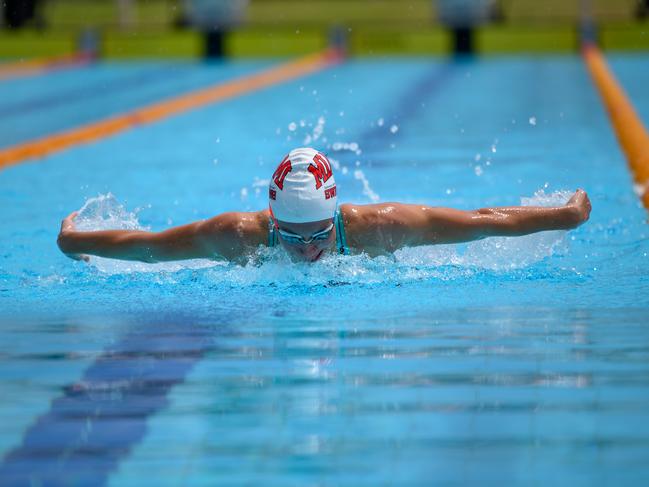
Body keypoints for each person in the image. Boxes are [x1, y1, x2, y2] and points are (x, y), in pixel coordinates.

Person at [57, 147, 591, 264]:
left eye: (318, 234)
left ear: (336, 216)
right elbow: (149, 248)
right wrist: (72, 240)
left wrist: (561, 216)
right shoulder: (241, 235)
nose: (307, 249)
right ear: (273, 222)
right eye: (292, 236)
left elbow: (478, 225)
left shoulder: (379, 228)